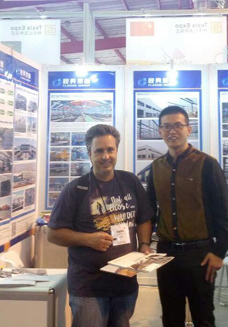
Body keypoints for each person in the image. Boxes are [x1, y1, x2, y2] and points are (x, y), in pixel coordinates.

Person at [48, 124, 153, 327]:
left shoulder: (130, 181)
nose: (106, 156)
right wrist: (87, 239)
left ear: (116, 151)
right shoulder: (76, 189)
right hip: (89, 287)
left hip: (125, 283)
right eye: (99, 151)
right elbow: (53, 234)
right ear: (89, 153)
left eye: (110, 150)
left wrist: (144, 245)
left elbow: (144, 218)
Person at [146, 106, 228, 327]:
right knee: (170, 316)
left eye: (178, 125)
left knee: (203, 317)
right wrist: (144, 244)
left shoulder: (207, 164)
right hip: (166, 253)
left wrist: (218, 252)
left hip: (200, 255)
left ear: (188, 129)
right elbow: (150, 211)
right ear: (160, 131)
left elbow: (223, 212)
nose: (172, 131)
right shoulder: (155, 168)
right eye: (166, 126)